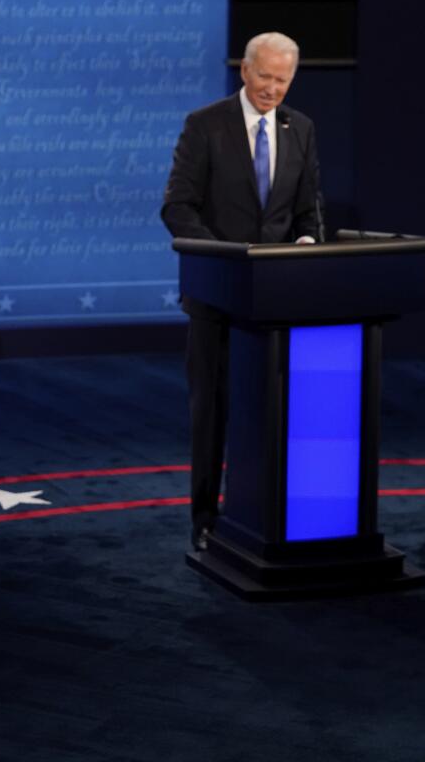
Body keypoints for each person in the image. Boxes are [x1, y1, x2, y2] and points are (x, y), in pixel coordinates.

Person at [160, 32, 323, 551]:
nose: (273, 88)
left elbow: (307, 208)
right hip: (217, 299)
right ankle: (206, 521)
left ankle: (266, 514)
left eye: (283, 79)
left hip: (277, 303)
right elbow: (178, 207)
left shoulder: (301, 130)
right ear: (244, 72)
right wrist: (224, 261)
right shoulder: (204, 126)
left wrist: (308, 242)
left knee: (274, 413)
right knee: (211, 412)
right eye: (266, 76)